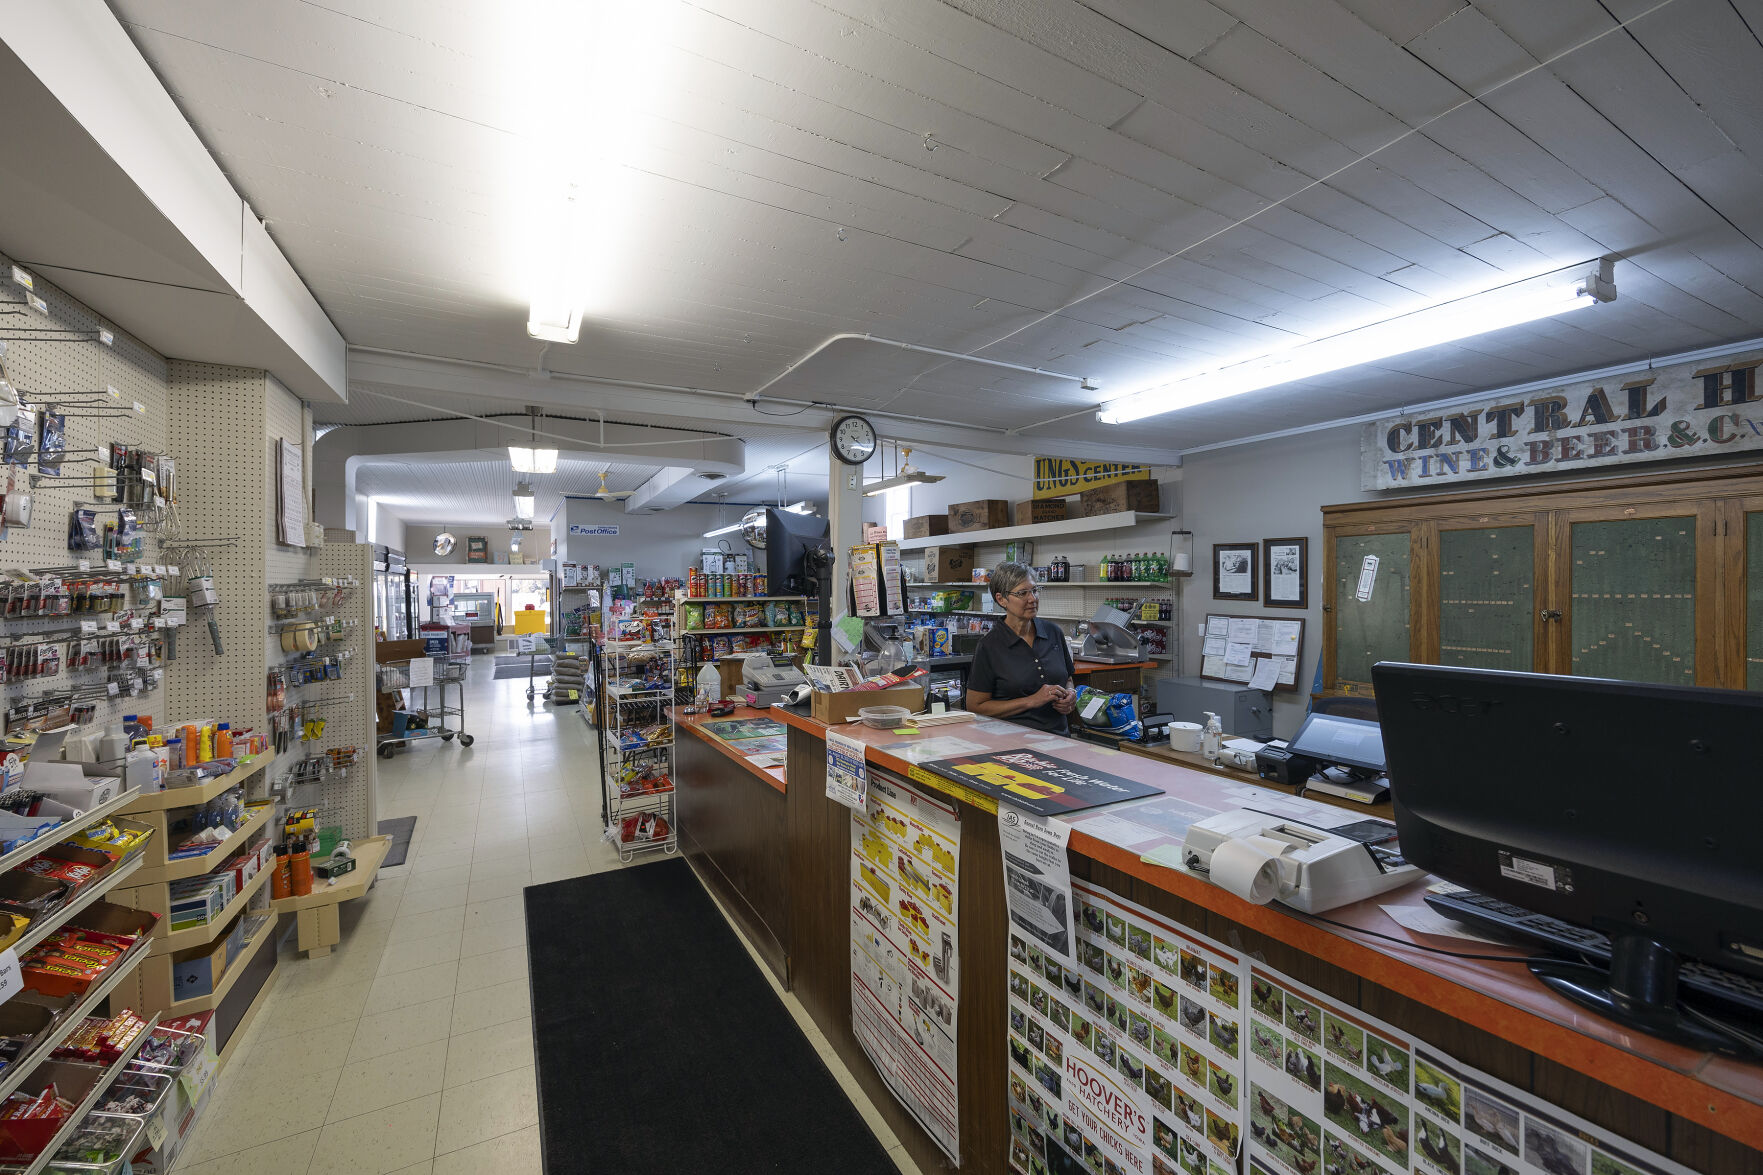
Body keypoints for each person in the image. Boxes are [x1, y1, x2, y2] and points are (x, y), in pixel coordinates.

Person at [966, 562, 1076, 735]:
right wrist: (1031, 701)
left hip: (1058, 739)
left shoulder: (1053, 633)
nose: (1032, 599)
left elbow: (1067, 677)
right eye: (1022, 593)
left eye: (1034, 590)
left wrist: (1070, 693)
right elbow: (975, 706)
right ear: (1001, 599)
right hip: (1012, 743)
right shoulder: (989, 646)